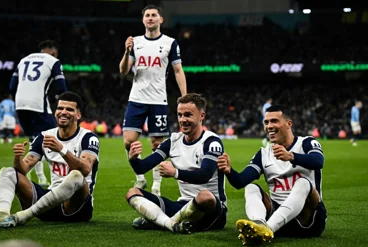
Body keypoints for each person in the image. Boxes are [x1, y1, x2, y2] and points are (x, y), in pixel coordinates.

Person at [0, 92, 99, 229]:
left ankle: (22, 217)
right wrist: (17, 159)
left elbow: (86, 168)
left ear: (78, 115)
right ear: (55, 112)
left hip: (77, 208)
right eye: (60, 108)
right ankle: (2, 214)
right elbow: (24, 169)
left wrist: (62, 149)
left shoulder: (88, 138)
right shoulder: (44, 136)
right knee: (8, 172)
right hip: (48, 205)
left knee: (76, 175)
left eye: (69, 109)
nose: (63, 112)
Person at [217, 105, 327, 245]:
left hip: (309, 221)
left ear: (289, 124)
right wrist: (229, 171)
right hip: (279, 220)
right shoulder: (264, 154)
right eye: (266, 122)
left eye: (274, 121)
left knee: (303, 183)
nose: (269, 126)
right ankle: (259, 223)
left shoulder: (306, 143)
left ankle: (267, 228)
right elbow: (240, 182)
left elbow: (318, 161)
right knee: (251, 188)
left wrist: (291, 156)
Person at [126, 93, 226, 234]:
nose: (182, 120)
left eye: (188, 115)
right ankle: (172, 224)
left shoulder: (211, 142)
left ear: (201, 116)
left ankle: (159, 220)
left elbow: (205, 175)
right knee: (132, 192)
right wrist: (133, 159)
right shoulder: (173, 141)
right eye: (180, 115)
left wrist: (175, 173)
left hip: (212, 210)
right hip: (183, 205)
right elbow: (143, 167)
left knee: (205, 196)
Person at [119, 5, 187, 195]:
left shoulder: (170, 43)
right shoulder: (135, 42)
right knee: (128, 141)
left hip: (158, 99)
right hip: (137, 98)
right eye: (147, 15)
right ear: (143, 20)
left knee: (157, 144)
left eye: (154, 15)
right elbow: (124, 71)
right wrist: (126, 52)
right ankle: (140, 178)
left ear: (160, 19)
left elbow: (178, 70)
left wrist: (184, 97)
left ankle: (157, 184)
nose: (150, 18)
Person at [9, 40, 67, 187]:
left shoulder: (24, 60)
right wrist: (58, 98)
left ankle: (38, 177)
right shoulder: (53, 61)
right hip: (38, 105)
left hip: (20, 105)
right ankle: (57, 179)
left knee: (34, 141)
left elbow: (11, 87)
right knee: (52, 139)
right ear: (54, 52)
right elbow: (61, 87)